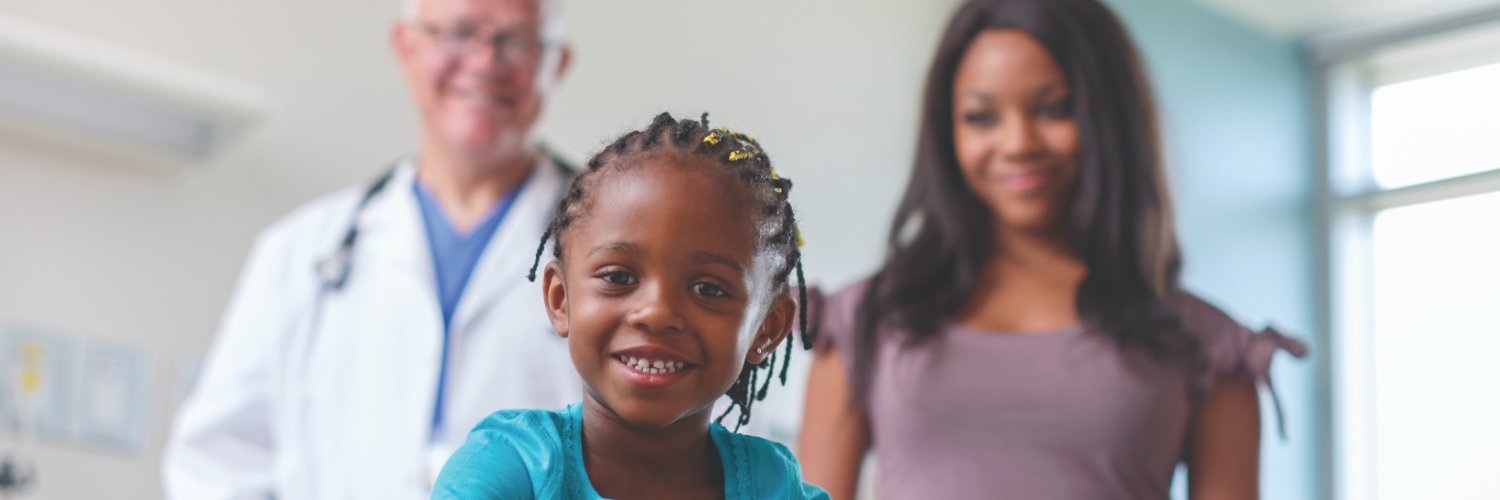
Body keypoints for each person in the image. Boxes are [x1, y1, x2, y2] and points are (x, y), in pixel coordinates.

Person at [797, 0, 1307, 499]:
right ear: (946, 130)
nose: (1017, 142)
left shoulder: (1209, 348)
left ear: (1111, 119)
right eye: (981, 116)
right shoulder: (863, 322)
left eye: (1054, 108)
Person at [162, 0, 580, 497]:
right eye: (459, 33)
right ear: (407, 46)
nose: (486, 60)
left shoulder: (617, 252)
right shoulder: (301, 252)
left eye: (516, 40)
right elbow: (217, 463)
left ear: (557, 63)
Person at [432, 112, 828, 499]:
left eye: (708, 288)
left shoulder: (776, 488)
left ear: (768, 327)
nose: (656, 312)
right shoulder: (508, 470)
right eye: (619, 278)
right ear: (560, 298)